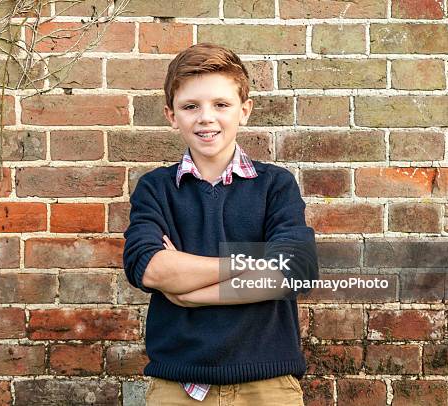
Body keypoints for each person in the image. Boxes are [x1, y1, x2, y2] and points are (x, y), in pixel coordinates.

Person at [123, 42, 319, 405]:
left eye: (221, 105)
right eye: (190, 106)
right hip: (178, 387)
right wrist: (254, 262)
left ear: (244, 111)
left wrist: (189, 293)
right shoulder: (156, 189)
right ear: (171, 115)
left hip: (269, 385)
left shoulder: (275, 185)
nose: (206, 118)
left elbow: (295, 270)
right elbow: (149, 268)